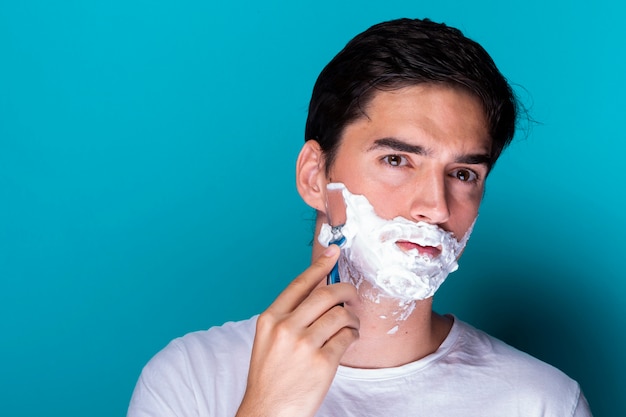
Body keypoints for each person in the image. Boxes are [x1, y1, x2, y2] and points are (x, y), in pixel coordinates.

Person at [127, 18, 592, 416]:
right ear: (314, 176)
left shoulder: (543, 403)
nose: (436, 206)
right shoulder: (189, 379)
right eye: (396, 160)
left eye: (464, 173)